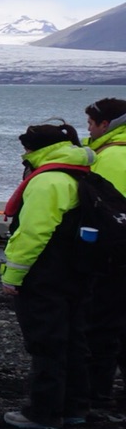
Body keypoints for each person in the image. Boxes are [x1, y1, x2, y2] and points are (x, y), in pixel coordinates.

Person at [0, 120, 96, 429]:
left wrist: (12, 276)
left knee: (46, 343)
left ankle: (43, 412)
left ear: (34, 148)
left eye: (26, 148)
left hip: (46, 274)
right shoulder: (79, 172)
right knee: (73, 338)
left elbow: (33, 233)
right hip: (77, 270)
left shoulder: (48, 181)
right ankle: (75, 408)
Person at [83, 98, 126, 412]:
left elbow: (102, 210)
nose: (88, 128)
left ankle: (97, 394)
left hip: (115, 256)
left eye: (91, 123)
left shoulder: (109, 158)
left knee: (103, 325)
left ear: (105, 125)